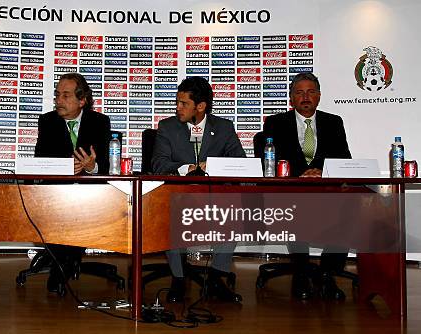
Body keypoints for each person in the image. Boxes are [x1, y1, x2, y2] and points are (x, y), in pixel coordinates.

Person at [151, 76, 245, 303]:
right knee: (171, 211)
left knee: (232, 210)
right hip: (179, 196)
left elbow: (240, 162)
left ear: (200, 106)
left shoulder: (223, 127)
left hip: (213, 198)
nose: (178, 108)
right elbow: (158, 164)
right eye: (177, 102)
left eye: (184, 104)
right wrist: (187, 168)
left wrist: (215, 165)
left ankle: (216, 277)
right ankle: (179, 278)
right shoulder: (167, 127)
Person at [262, 72, 352, 300]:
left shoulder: (334, 122)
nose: (305, 97)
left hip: (326, 191)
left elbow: (344, 159)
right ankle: (301, 273)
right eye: (299, 93)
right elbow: (269, 161)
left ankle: (327, 274)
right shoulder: (276, 123)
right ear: (291, 98)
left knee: (350, 208)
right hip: (291, 190)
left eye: (311, 92)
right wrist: (300, 174)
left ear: (319, 96)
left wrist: (321, 171)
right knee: (294, 206)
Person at [34, 72, 111, 293]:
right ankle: (63, 263)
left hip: (91, 192)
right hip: (58, 191)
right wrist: (64, 168)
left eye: (65, 95)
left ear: (82, 100)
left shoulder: (99, 122)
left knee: (82, 207)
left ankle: (64, 264)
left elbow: (106, 163)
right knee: (55, 206)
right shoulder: (48, 121)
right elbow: (41, 158)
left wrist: (91, 167)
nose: (59, 100)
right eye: (57, 95)